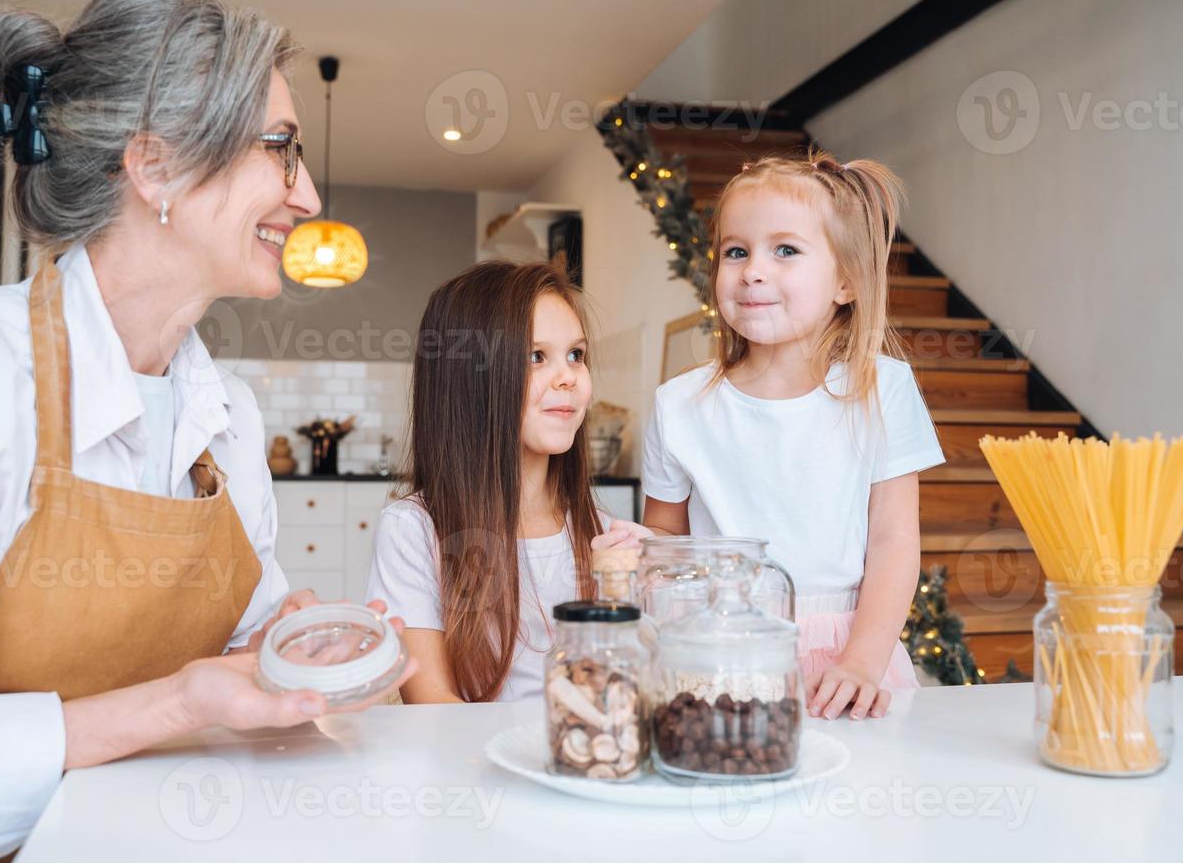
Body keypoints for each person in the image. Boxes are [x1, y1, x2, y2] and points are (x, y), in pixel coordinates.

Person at [0, 0, 411, 862]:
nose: (308, 196)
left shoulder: (226, 420)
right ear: (154, 163)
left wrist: (287, 647)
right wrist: (178, 703)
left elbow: (238, 645)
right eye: (280, 147)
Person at [642, 150, 945, 721]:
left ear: (846, 282)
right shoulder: (678, 405)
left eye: (785, 250)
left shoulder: (883, 388)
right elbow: (665, 539)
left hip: (848, 656)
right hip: (717, 653)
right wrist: (637, 550)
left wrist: (861, 661)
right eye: (736, 251)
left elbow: (894, 543)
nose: (754, 269)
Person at [366, 261, 649, 703]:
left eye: (576, 354)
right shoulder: (413, 530)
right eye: (537, 357)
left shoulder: (599, 530)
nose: (568, 377)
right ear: (470, 380)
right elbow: (432, 706)